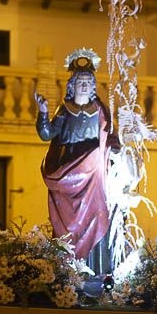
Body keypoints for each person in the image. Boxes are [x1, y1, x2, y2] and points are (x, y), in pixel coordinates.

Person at [33, 48, 121, 273]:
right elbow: (47, 134)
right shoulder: (65, 110)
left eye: (88, 81)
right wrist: (43, 113)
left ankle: (97, 272)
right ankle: (65, 272)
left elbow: (110, 136)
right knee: (65, 228)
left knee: (99, 216)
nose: (84, 85)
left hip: (93, 178)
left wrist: (115, 146)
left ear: (93, 86)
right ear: (72, 85)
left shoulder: (100, 110)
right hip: (68, 175)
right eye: (80, 81)